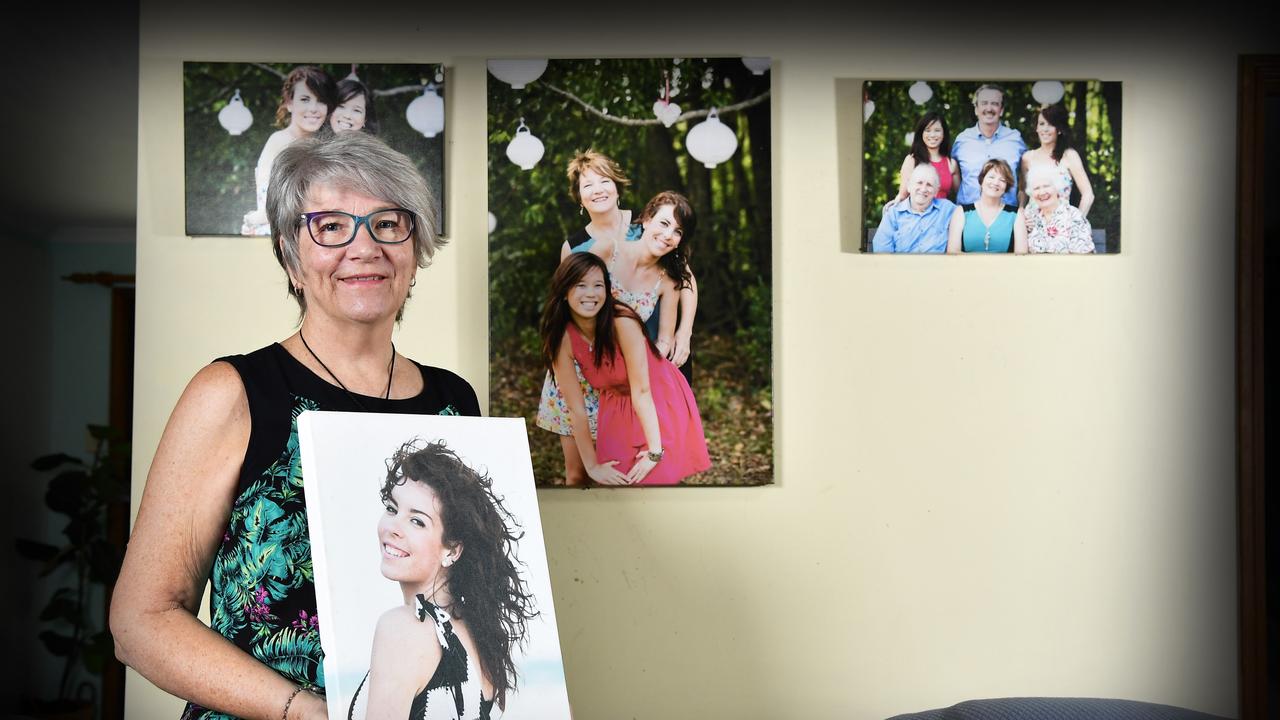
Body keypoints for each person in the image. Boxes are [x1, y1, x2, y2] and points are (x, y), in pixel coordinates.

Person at [110, 131, 481, 720]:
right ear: (290, 255)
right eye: (331, 227)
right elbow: (140, 622)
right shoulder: (232, 393)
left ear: (416, 249)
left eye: (388, 223)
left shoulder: (455, 402)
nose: (364, 248)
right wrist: (303, 711)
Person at [535, 151, 697, 485]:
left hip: (627, 370)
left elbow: (685, 279)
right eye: (587, 184)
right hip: (581, 361)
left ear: (617, 185)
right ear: (578, 196)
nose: (597, 189)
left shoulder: (644, 227)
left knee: (625, 466)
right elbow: (567, 297)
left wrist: (683, 333)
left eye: (604, 180)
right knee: (579, 470)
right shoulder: (579, 246)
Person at [347, 439, 535, 720]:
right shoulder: (475, 636)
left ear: (452, 549)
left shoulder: (404, 627)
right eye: (392, 508)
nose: (394, 527)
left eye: (417, 521)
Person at [539, 253, 710, 486]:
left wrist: (654, 452)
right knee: (617, 483)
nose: (591, 293)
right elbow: (576, 408)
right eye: (580, 285)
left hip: (657, 396)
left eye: (598, 285)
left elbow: (642, 392)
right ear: (564, 292)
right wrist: (592, 466)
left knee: (655, 480)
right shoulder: (562, 338)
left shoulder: (622, 322)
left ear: (607, 291)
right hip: (615, 403)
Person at [242, 66, 336, 236]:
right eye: (305, 99)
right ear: (289, 103)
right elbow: (269, 204)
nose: (314, 108)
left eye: (321, 100)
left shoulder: (326, 143)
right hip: (283, 231)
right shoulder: (279, 141)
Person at [950, 84, 1027, 207]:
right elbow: (954, 176)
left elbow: (1025, 178)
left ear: (1001, 110)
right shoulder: (962, 140)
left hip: (1007, 215)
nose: (989, 108)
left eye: (995, 104)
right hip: (968, 214)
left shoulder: (1015, 140)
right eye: (984, 103)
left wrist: (1022, 207)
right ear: (976, 109)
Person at [1018, 103, 1094, 217]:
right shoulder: (1028, 158)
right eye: (1042, 124)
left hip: (1062, 226)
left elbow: (1088, 194)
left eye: (1051, 124)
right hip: (1032, 225)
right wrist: (1021, 215)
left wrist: (1077, 222)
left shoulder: (1069, 156)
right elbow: (1022, 191)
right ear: (1037, 128)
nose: (1045, 129)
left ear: (1059, 129)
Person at [872, 163, 963, 253]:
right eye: (919, 183)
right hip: (901, 266)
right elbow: (882, 249)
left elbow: (971, 218)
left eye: (929, 185)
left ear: (936, 191)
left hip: (936, 267)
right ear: (909, 186)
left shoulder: (948, 209)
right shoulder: (893, 214)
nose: (923, 189)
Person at [947, 159, 1027, 254]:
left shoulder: (1016, 214)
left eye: (1002, 180)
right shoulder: (961, 212)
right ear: (981, 180)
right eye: (991, 177)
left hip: (1004, 268)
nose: (996, 183)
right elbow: (953, 252)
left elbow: (1021, 254)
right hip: (967, 268)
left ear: (1006, 187)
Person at [886, 111, 960, 207]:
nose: (932, 135)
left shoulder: (951, 163)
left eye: (937, 130)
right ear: (921, 133)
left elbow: (961, 195)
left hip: (943, 218)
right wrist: (892, 207)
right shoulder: (912, 160)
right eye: (927, 130)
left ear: (944, 133)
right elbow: (903, 195)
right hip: (917, 217)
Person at [1023, 163, 1095, 254]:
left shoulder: (1074, 215)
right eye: (1036, 188)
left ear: (1057, 188)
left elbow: (1085, 256)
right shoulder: (1029, 215)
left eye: (1046, 186)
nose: (1042, 192)